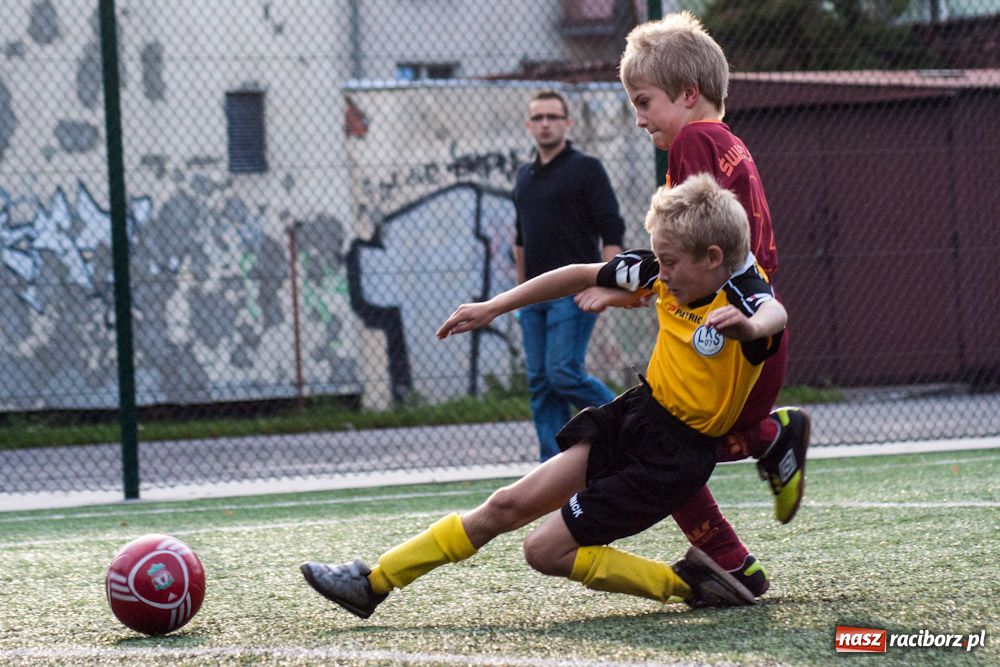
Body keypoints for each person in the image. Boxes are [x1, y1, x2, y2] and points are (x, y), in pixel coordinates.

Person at [300, 173, 785, 619]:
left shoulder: (743, 297)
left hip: (672, 458)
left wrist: (747, 327)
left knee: (543, 551)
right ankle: (374, 583)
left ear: (714, 258)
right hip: (636, 416)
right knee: (506, 505)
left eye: (671, 264)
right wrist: (495, 305)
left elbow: (774, 314)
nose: (662, 274)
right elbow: (579, 272)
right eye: (659, 260)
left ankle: (689, 586)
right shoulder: (668, 268)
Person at [614, 11, 812, 596]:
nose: (639, 117)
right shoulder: (727, 141)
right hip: (750, 321)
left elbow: (689, 244)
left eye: (644, 101)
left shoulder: (693, 142)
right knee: (671, 441)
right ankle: (767, 443)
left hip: (729, 329)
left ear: (689, 93)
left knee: (659, 443)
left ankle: (729, 559)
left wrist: (641, 282)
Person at [513, 90, 626, 462]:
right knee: (542, 385)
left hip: (574, 293)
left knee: (562, 373)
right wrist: (519, 295)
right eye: (539, 118)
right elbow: (520, 238)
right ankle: (554, 468)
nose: (546, 123)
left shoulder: (586, 169)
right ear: (529, 125)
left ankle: (634, 425)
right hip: (533, 299)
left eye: (553, 117)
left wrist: (606, 285)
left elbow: (611, 228)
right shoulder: (524, 177)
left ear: (567, 123)